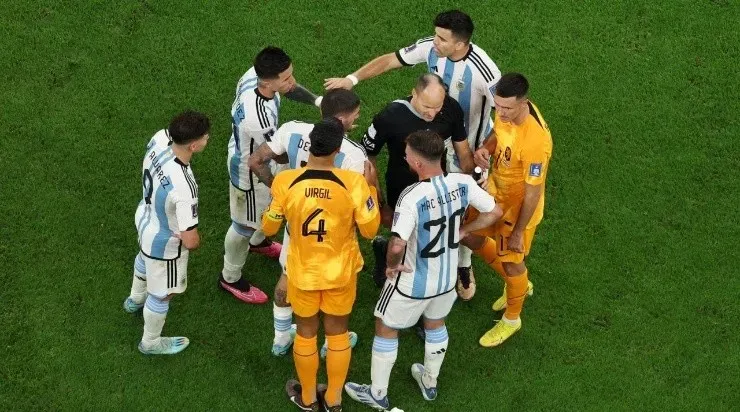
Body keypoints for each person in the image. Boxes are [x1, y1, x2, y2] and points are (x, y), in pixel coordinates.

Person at [326, 10, 501, 301]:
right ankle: (407, 251)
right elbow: (392, 59)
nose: (435, 42)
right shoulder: (432, 48)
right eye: (436, 34)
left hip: (468, 145)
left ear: (459, 43)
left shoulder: (484, 71)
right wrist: (352, 79)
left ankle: (463, 264)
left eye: (442, 38)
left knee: (463, 208)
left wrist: (487, 149)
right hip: (434, 141)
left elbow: (509, 115)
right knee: (428, 203)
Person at [344, 130, 502, 409]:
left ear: (417, 164)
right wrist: (464, 229)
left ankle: (377, 394)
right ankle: (430, 382)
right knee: (435, 324)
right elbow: (495, 212)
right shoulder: (463, 183)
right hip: (446, 279)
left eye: (407, 155)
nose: (404, 157)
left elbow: (396, 244)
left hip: (412, 282)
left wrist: (392, 267)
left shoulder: (412, 197)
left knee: (385, 326)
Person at [262, 119, 381, 411]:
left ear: (311, 144)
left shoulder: (285, 181)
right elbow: (370, 231)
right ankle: (334, 400)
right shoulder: (353, 183)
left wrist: (280, 214)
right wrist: (373, 189)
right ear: (338, 150)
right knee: (338, 333)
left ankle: (307, 399)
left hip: (302, 273)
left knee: (305, 333)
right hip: (340, 273)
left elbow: (268, 228)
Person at [248, 89, 371, 358]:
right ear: (343, 118)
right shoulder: (351, 154)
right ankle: (332, 343)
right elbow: (360, 205)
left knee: (288, 278)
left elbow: (256, 160)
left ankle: (281, 338)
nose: (356, 119)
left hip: (298, 227)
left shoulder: (293, 130)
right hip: (334, 238)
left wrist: (281, 193)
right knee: (334, 290)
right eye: (355, 115)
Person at [221, 46, 323, 304]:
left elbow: (290, 91)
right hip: (249, 169)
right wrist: (309, 151)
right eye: (286, 78)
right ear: (268, 81)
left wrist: (317, 101)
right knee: (242, 224)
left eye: (291, 74)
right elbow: (269, 157)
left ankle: (259, 241)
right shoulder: (259, 118)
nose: (293, 82)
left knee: (262, 213)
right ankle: (229, 277)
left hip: (255, 151)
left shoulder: (254, 78)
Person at [462, 73, 553, 347]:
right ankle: (519, 287)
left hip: (517, 211)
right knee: (469, 236)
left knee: (513, 262)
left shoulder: (536, 143)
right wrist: (486, 150)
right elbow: (496, 133)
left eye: (506, 108)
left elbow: (533, 192)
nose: (500, 112)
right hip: (493, 194)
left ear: (524, 103)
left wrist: (519, 232)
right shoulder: (507, 111)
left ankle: (513, 319)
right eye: (497, 106)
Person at [362, 73, 473, 292]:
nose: (432, 113)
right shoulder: (390, 115)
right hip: (401, 187)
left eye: (437, 107)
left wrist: (469, 182)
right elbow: (368, 155)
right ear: (414, 93)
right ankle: (387, 257)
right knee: (401, 233)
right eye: (426, 106)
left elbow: (463, 150)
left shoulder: (451, 109)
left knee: (427, 236)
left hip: (436, 187)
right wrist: (376, 195)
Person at [123, 111, 210, 355]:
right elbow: (190, 239)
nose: (207, 140)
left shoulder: (160, 138)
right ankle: (150, 342)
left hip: (144, 219)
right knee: (163, 293)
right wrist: (196, 243)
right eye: (205, 137)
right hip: (164, 244)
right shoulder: (185, 186)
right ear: (193, 145)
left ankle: (135, 299)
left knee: (143, 259)